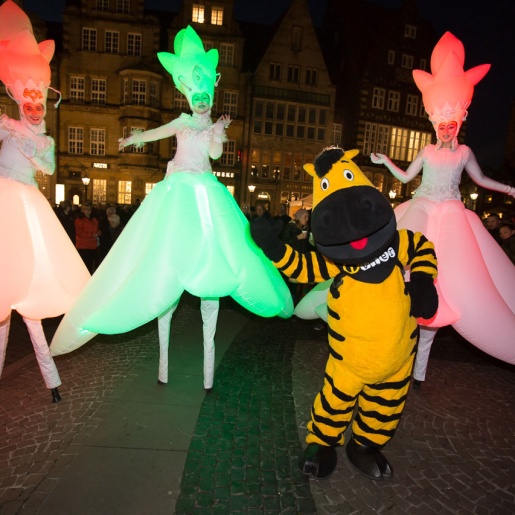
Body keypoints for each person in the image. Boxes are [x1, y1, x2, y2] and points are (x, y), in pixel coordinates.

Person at [49, 26, 293, 388]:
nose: (201, 100)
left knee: (215, 263)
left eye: (205, 95)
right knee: (163, 257)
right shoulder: (181, 121)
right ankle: (163, 366)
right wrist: (134, 137)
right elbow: (158, 132)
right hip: (177, 192)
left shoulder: (211, 127)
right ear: (187, 94)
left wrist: (220, 134)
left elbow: (213, 155)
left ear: (211, 94)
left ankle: (208, 376)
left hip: (207, 195)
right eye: (196, 95)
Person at [371, 32, 515, 387]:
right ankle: (396, 362)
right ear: (434, 124)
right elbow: (407, 176)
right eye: (441, 123)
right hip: (422, 207)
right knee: (402, 268)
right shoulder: (427, 150)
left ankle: (419, 372)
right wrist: (386, 161)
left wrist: (510, 188)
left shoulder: (464, 154)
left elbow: (481, 180)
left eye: (452, 124)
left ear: (460, 122)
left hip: (452, 214)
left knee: (449, 285)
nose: (446, 129)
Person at [0, 0, 89, 402]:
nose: (35, 110)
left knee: (32, 313)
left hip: (30, 213)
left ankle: (52, 381)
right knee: (2, 314)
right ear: (19, 102)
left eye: (39, 105)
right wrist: (11, 130)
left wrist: (27, 140)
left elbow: (49, 167)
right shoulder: (6, 126)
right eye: (29, 105)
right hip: (5, 212)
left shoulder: (44, 139)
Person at [75, 202, 100, 273]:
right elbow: (79, 232)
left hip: (93, 245)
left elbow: (96, 228)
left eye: (89, 209)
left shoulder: (94, 219)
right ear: (82, 210)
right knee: (85, 265)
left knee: (91, 265)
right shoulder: (79, 220)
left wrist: (98, 232)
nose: (88, 211)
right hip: (83, 246)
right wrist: (91, 235)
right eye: (86, 209)